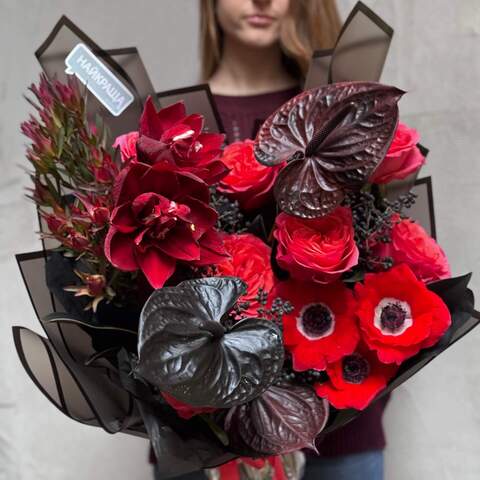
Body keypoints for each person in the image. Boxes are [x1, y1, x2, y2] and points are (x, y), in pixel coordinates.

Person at [204, 1, 387, 479]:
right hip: (204, 443)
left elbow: (391, 265)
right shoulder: (173, 121)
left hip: (342, 436)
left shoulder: (340, 121)